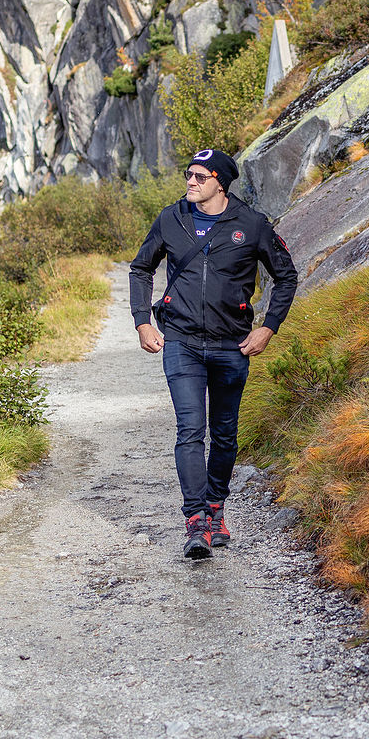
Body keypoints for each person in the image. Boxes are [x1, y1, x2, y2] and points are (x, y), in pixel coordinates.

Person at [129, 149, 299, 559]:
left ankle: (216, 508)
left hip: (231, 345)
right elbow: (141, 268)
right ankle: (196, 521)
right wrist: (143, 321)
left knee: (224, 434)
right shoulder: (172, 218)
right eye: (188, 174)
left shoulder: (252, 225)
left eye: (199, 176)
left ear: (220, 182)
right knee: (190, 430)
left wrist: (268, 328)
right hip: (182, 342)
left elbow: (286, 276)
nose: (190, 181)